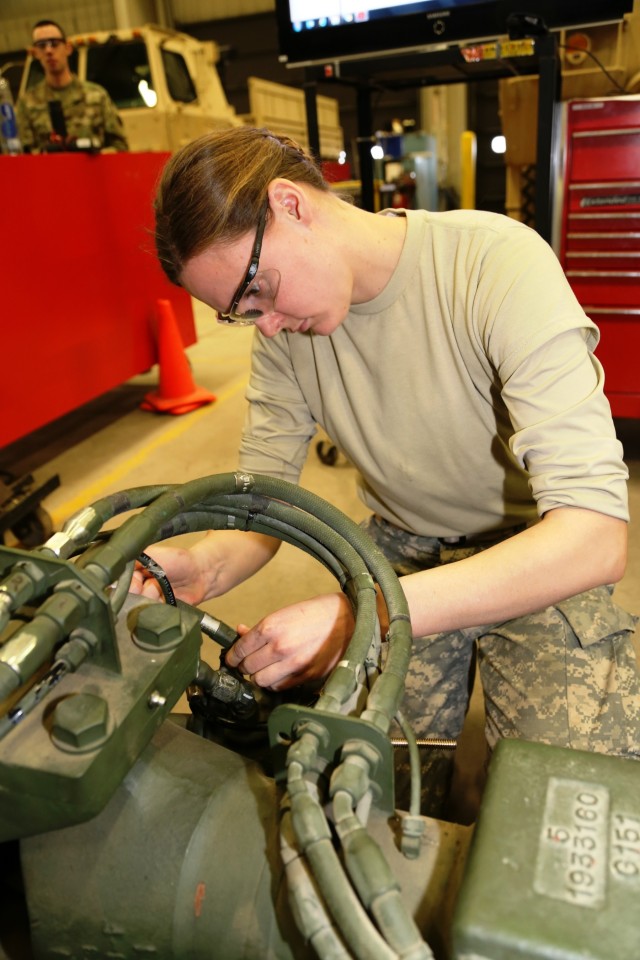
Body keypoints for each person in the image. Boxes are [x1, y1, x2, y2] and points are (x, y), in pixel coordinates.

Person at [142, 125, 639, 815]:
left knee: (562, 809)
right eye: (242, 312)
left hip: (531, 553)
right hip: (401, 548)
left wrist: (356, 615)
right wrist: (204, 566)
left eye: (261, 289)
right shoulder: (286, 334)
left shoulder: (494, 264)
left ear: (291, 203)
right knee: (357, 785)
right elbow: (263, 509)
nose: (269, 325)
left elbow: (594, 536)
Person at [16, 19, 128, 153]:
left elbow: (121, 147)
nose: (49, 51)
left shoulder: (97, 96)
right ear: (35, 53)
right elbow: (22, 155)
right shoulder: (27, 103)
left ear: (67, 48)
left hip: (92, 172)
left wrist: (96, 153)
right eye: (42, 46)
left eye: (54, 44)